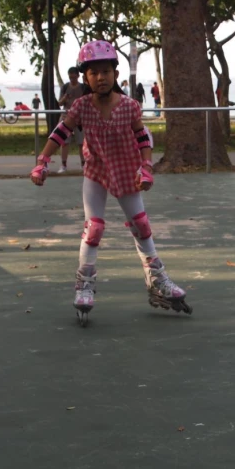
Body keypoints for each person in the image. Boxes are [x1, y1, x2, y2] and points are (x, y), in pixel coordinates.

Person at [29, 40, 191, 324]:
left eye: (106, 71)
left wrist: (146, 167)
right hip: (96, 171)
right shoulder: (81, 106)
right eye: (93, 73)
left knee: (141, 225)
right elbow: (60, 133)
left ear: (116, 74)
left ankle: (158, 280)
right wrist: (42, 162)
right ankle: (84, 285)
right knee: (94, 228)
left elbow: (143, 137)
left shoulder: (129, 106)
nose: (100, 77)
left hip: (127, 170)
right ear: (85, 77)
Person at [57, 67, 86, 173]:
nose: (72, 79)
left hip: (80, 118)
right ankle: (63, 164)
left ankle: (83, 164)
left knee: (81, 142)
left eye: (74, 77)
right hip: (66, 116)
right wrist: (65, 98)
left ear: (78, 76)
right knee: (64, 142)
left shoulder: (83, 87)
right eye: (70, 77)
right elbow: (59, 103)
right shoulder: (65, 87)